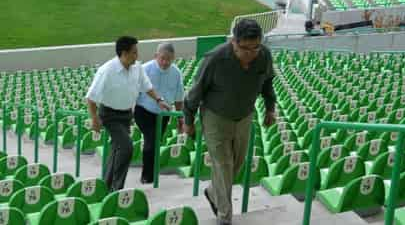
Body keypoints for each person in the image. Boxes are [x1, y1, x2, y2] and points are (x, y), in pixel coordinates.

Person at [183, 19, 276, 225]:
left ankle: (213, 192)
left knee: (237, 164)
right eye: (245, 48)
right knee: (224, 165)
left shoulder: (264, 56)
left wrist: (270, 108)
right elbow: (196, 91)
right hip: (215, 117)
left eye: (255, 48)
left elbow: (268, 82)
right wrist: (188, 120)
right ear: (234, 42)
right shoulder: (215, 59)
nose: (250, 54)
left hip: (244, 116)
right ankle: (225, 217)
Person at [86, 36, 169, 191]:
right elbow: (91, 98)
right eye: (134, 53)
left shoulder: (137, 68)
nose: (137, 56)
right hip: (109, 115)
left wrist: (159, 100)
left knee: (117, 150)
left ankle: (106, 186)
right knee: (126, 147)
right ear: (123, 53)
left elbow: (146, 86)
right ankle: (116, 188)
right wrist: (94, 119)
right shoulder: (107, 70)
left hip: (126, 116)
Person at [134, 43, 185, 184]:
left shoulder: (176, 73)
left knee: (155, 143)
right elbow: (134, 91)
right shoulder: (145, 69)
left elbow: (179, 98)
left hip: (163, 114)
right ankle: (147, 176)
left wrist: (180, 119)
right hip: (143, 110)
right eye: (162, 58)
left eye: (168, 59)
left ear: (173, 58)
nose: (165, 62)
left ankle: (151, 173)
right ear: (156, 56)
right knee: (151, 140)